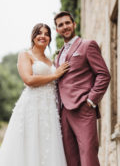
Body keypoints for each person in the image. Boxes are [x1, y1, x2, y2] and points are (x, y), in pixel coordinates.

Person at [0, 23, 69, 166]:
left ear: (50, 38)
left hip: (50, 109)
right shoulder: (25, 55)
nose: (43, 36)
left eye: (46, 34)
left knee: (47, 146)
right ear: (33, 36)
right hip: (32, 107)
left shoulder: (51, 61)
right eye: (39, 33)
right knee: (30, 146)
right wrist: (55, 75)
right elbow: (29, 80)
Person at [54, 11, 111, 166]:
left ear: (74, 24)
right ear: (57, 30)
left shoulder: (87, 45)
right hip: (63, 112)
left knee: (88, 157)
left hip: (83, 109)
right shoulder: (58, 56)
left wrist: (91, 100)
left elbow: (104, 75)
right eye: (60, 25)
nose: (64, 26)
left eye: (67, 23)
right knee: (71, 159)